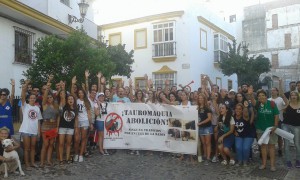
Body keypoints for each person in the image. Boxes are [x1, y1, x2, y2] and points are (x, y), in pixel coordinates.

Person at [19, 80, 43, 170]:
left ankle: (32, 163)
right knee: (26, 148)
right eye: (31, 98)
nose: (32, 99)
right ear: (28, 99)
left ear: (35, 99)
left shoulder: (37, 108)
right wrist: (25, 86)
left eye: (34, 98)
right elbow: (22, 95)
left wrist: (39, 132)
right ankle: (27, 164)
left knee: (33, 148)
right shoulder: (25, 106)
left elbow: (38, 121)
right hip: (26, 130)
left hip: (34, 131)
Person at [255, 89, 279, 172]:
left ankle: (272, 165)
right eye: (259, 96)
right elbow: (252, 101)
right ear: (257, 98)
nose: (261, 97)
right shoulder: (257, 104)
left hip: (271, 129)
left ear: (266, 96)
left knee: (272, 147)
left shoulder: (272, 104)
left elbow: (276, 115)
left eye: (262, 95)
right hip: (260, 129)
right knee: (263, 147)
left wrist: (275, 126)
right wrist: (251, 95)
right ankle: (264, 164)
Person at [40, 80, 59, 167]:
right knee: (46, 144)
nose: (49, 99)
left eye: (50, 97)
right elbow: (44, 97)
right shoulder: (44, 105)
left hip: (53, 126)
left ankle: (48, 160)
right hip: (46, 126)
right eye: (48, 97)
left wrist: (57, 126)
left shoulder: (55, 105)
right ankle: (42, 162)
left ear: (53, 98)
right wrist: (48, 86)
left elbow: (58, 116)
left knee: (51, 144)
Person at [57, 95, 78, 165]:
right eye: (69, 99)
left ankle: (67, 158)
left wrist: (76, 128)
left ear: (74, 100)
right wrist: (57, 127)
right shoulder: (64, 107)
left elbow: (76, 119)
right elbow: (59, 117)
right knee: (61, 143)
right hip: (62, 127)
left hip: (70, 128)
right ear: (67, 100)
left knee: (69, 143)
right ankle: (61, 159)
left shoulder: (75, 109)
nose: (70, 100)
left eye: (72, 99)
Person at [282, 91, 300, 169]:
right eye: (292, 95)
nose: (293, 96)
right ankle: (288, 161)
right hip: (286, 125)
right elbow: (282, 94)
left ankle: (298, 160)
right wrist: (280, 82)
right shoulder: (287, 103)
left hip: (297, 127)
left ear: (297, 96)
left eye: (295, 95)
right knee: (286, 144)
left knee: (297, 144)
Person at [268, 87, 288, 157]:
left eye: (274, 90)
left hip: (279, 120)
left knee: (279, 136)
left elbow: (286, 104)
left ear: (277, 92)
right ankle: (270, 150)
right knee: (270, 135)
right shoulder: (268, 100)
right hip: (270, 121)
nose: (272, 91)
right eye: (271, 90)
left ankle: (280, 149)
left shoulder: (280, 99)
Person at [197, 93, 212, 165]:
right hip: (200, 128)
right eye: (199, 98)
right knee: (203, 143)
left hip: (207, 127)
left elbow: (209, 118)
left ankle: (208, 158)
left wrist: (201, 123)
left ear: (204, 99)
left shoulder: (207, 107)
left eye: (202, 98)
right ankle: (205, 155)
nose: (200, 99)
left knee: (207, 143)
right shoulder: (197, 107)